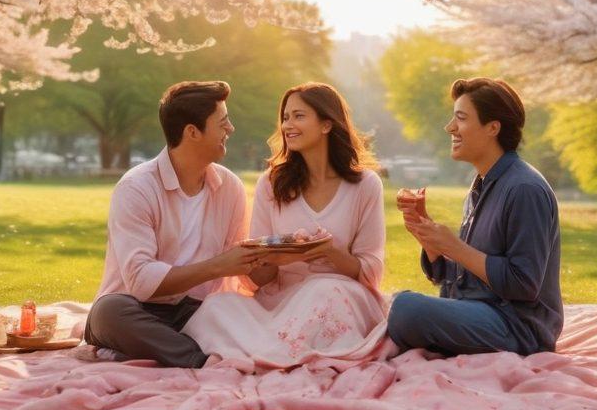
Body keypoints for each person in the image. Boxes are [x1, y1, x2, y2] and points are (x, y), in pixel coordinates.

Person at [183, 82, 390, 367]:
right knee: (219, 305)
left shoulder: (365, 185)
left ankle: (267, 354)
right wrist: (270, 259)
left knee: (322, 289)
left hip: (339, 296)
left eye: (298, 116)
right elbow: (257, 277)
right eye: (285, 117)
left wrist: (328, 252)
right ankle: (276, 352)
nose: (287, 125)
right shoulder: (272, 182)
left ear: (327, 124)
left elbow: (370, 271)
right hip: (279, 301)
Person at [83, 81, 265, 368]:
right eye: (223, 123)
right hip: (134, 307)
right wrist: (220, 265)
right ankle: (200, 359)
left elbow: (241, 269)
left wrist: (272, 258)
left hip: (193, 312)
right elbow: (142, 282)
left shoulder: (229, 187)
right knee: (108, 312)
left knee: (232, 310)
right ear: (192, 132)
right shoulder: (136, 187)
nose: (230, 129)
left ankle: (160, 348)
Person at [387, 78, 563, 356]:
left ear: (493, 128)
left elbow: (524, 284)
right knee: (394, 304)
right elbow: (464, 277)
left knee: (405, 309)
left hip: (518, 328)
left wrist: (455, 247)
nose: (450, 127)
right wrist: (433, 244)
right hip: (480, 311)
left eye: (461, 118)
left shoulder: (524, 189)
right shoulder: (481, 184)